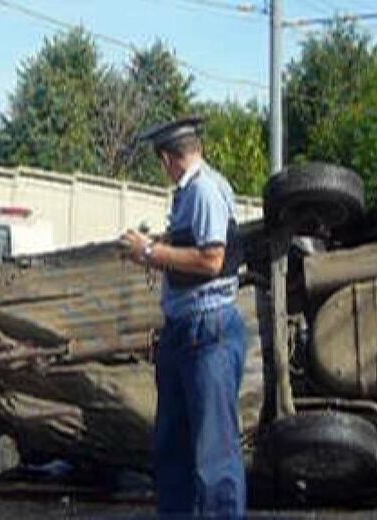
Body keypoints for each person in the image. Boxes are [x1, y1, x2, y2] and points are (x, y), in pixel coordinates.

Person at [121, 116, 247, 517]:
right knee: (173, 447)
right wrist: (159, 248)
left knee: (214, 455)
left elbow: (212, 259)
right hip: (186, 332)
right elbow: (192, 252)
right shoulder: (191, 191)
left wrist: (148, 252)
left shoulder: (205, 191)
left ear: (168, 158)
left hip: (207, 333)